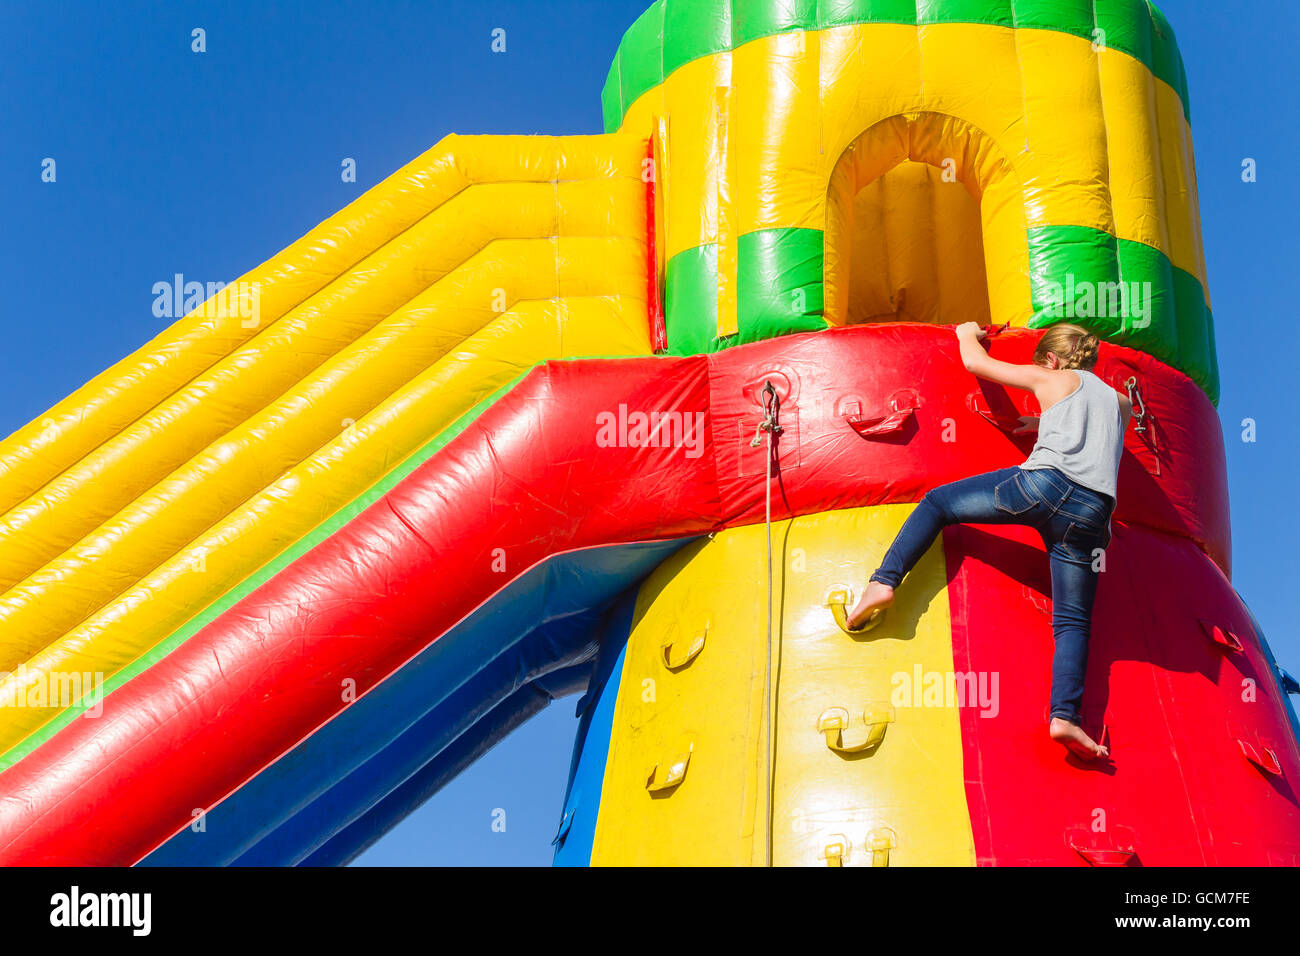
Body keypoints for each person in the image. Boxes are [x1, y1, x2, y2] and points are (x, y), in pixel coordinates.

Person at [839, 321, 1131, 760]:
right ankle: (1065, 717)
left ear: (1050, 359)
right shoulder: (1121, 402)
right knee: (1073, 623)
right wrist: (1043, 420)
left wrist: (965, 332)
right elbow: (1092, 428)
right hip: (1091, 516)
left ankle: (883, 583)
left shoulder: (1049, 377)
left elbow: (977, 362)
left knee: (938, 504)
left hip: (1044, 486)